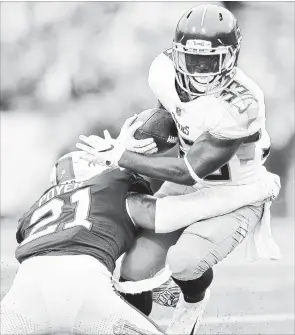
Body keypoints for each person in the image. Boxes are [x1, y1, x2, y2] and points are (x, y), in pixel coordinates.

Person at [76, 4, 281, 334]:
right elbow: (174, 115)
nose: (199, 70)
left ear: (231, 57)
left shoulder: (241, 103)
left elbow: (189, 170)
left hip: (236, 194)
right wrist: (149, 139)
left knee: (185, 263)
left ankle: (193, 300)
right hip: (189, 189)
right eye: (192, 59)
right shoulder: (163, 71)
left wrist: (120, 156)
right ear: (176, 53)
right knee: (133, 275)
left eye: (209, 61)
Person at [1, 138, 277, 335]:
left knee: (130, 274)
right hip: (87, 295)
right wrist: (254, 190)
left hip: (23, 296)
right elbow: (181, 211)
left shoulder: (35, 210)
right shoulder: (110, 188)